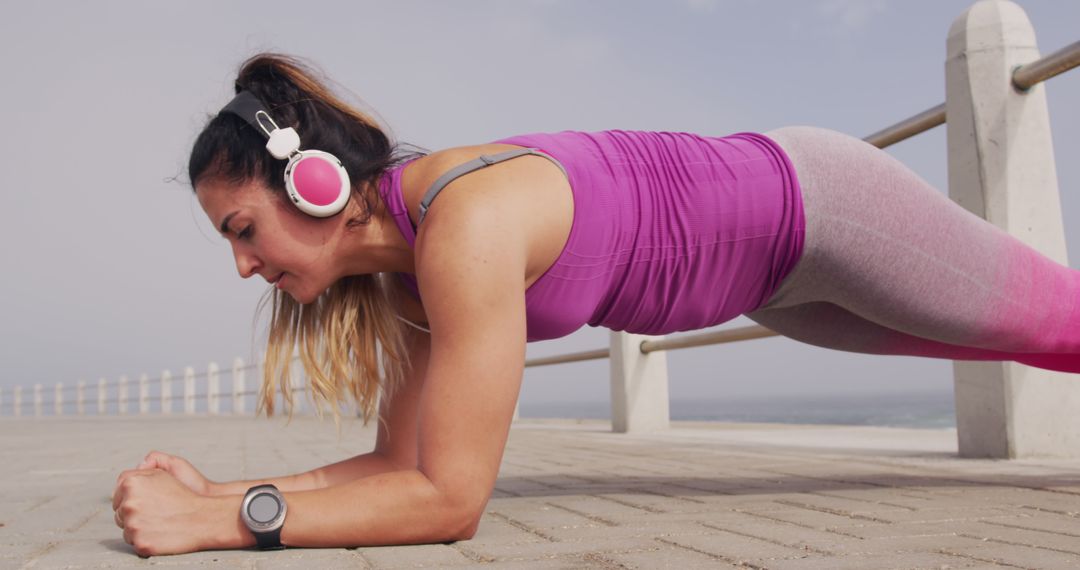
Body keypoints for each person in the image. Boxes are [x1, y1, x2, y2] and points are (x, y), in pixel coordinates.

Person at [111, 52, 1080, 557]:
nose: (242, 267)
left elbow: (450, 503)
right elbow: (393, 463)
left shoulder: (464, 223)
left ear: (313, 183)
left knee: (1056, 324)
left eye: (242, 230)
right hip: (778, 287)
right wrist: (218, 495)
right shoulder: (409, 280)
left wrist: (228, 527)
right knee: (1026, 348)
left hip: (821, 208)